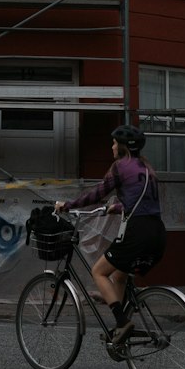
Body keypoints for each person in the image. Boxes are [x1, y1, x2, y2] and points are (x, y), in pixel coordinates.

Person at [54, 123, 166, 348]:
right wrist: (114, 208)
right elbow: (141, 202)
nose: (112, 146)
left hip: (137, 232)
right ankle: (120, 330)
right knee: (120, 277)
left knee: (98, 271)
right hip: (157, 233)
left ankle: (122, 323)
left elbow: (97, 194)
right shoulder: (147, 168)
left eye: (115, 142)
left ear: (123, 146)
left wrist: (67, 205)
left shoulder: (120, 166)